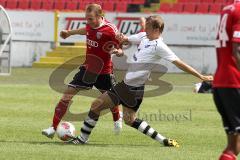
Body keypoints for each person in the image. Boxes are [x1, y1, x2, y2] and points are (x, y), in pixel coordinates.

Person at [68, 15, 213, 147]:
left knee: (96, 105)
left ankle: (82, 138)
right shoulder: (144, 36)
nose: (146, 29)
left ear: (156, 29)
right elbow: (127, 39)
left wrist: (200, 76)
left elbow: (179, 62)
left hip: (130, 88)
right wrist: (121, 37)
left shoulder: (159, 46)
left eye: (148, 27)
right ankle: (163, 140)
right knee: (130, 120)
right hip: (132, 88)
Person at [42, 4, 123, 138]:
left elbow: (121, 49)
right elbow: (84, 30)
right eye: (86, 18)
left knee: (110, 100)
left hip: (104, 72)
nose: (88, 22)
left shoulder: (110, 30)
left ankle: (116, 118)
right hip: (88, 69)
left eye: (90, 19)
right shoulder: (90, 26)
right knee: (67, 95)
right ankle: (53, 127)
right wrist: (69, 33)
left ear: (100, 16)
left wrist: (117, 51)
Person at [213, 0, 240, 159]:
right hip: (234, 82)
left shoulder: (228, 9)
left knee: (234, 146)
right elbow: (237, 50)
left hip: (221, 84)